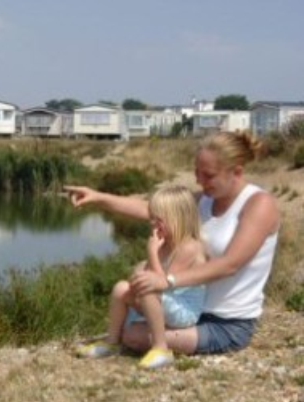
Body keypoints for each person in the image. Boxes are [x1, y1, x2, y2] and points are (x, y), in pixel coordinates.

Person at [64, 131, 280, 358]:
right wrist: (99, 198)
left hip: (228, 323)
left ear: (236, 172)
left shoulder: (259, 204)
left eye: (208, 175)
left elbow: (230, 265)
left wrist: (167, 281)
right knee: (129, 329)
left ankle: (161, 348)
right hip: (192, 312)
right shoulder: (205, 199)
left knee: (135, 337)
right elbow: (153, 209)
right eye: (197, 174)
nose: (200, 181)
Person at [76, 185, 207, 369]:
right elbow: (146, 274)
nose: (153, 224)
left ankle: (161, 348)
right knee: (121, 288)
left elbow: (162, 284)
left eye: (158, 220)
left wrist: (152, 253)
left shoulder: (189, 248)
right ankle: (112, 341)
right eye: (151, 218)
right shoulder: (165, 245)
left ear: (177, 219)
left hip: (183, 310)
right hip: (165, 302)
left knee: (148, 288)